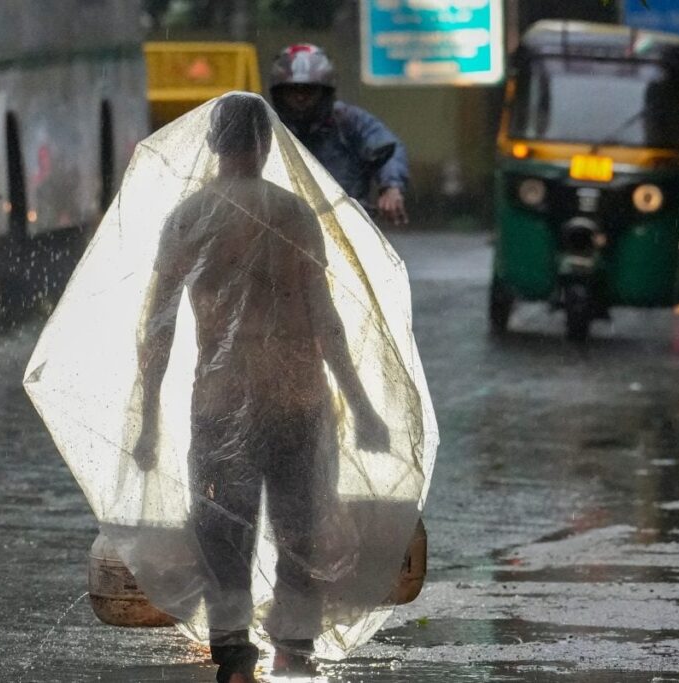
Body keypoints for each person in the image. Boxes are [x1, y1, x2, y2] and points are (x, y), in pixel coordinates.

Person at [132, 93, 390, 683]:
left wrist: (147, 421)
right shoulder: (293, 214)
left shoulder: (189, 218)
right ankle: (294, 654)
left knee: (223, 536)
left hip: (220, 404)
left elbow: (158, 330)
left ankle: (232, 655)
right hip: (297, 400)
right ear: (268, 143)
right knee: (300, 532)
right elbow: (325, 321)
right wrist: (364, 408)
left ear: (212, 143)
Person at [269, 43, 410, 225]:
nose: (300, 98)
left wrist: (391, 186)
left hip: (346, 224)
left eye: (309, 90)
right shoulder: (265, 126)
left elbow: (389, 148)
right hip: (279, 228)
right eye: (293, 90)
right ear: (279, 93)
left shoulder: (349, 121)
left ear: (325, 92)